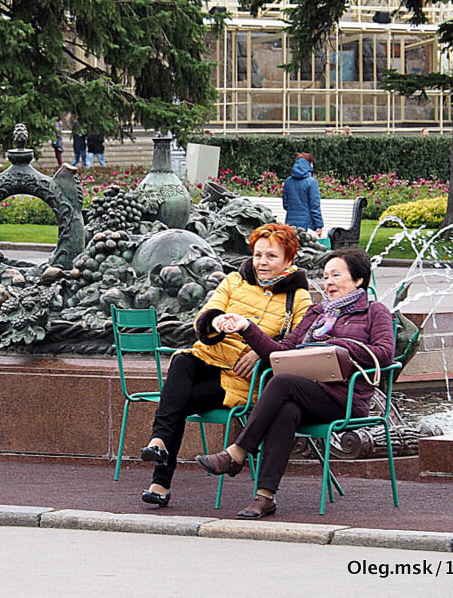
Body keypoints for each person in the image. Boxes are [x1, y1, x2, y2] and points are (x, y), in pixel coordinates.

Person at [200, 248, 394, 519]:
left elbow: (385, 354)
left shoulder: (375, 311)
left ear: (359, 280)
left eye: (336, 275)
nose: (328, 282)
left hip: (345, 399)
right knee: (286, 410)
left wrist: (338, 346)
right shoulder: (316, 313)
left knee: (283, 383)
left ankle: (237, 453)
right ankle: (265, 497)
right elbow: (280, 351)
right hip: (306, 392)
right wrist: (246, 327)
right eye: (325, 276)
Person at [139, 223, 311, 507]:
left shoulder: (299, 297)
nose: (262, 262)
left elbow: (296, 346)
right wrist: (215, 322)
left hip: (243, 379)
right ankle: (157, 444)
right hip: (210, 357)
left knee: (177, 402)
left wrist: (260, 353)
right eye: (258, 255)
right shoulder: (233, 281)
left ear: (288, 259)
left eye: (271, 256)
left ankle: (159, 482)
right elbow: (205, 317)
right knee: (182, 360)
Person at [282, 152, 323, 237]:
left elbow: (285, 205)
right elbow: (315, 207)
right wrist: (319, 225)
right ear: (309, 164)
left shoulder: (288, 181)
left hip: (290, 224)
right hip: (307, 225)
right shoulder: (312, 182)